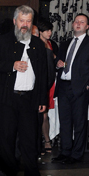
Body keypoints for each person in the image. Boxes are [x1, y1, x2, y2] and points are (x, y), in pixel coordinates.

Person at [0, 6, 52, 176]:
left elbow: (43, 74)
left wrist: (42, 100)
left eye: (28, 21)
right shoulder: (3, 40)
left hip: (29, 99)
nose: (25, 25)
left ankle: (32, 174)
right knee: (6, 139)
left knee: (30, 139)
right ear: (15, 21)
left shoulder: (38, 44)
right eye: (22, 20)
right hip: (7, 99)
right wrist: (12, 65)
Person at [53, 14, 89, 164]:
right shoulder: (65, 43)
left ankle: (76, 155)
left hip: (80, 89)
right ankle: (65, 152)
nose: (78, 24)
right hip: (63, 86)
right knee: (65, 122)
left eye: (82, 22)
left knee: (79, 123)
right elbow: (58, 63)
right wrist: (58, 64)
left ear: (87, 26)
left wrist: (88, 86)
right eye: (76, 21)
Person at [37, 19, 58, 154]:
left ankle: (46, 140)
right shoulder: (36, 44)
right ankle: (44, 141)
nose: (49, 33)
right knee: (42, 114)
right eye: (46, 30)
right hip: (40, 83)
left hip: (51, 82)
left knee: (46, 114)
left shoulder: (52, 44)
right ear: (40, 31)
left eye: (50, 30)